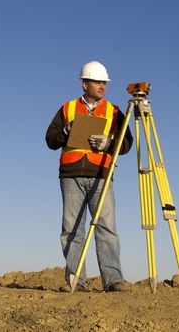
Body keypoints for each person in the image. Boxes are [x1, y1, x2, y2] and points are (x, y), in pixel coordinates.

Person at [45, 61, 133, 292]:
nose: (103, 86)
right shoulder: (67, 108)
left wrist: (109, 143)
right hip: (71, 175)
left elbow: (126, 144)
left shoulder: (114, 111)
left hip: (101, 175)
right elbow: (50, 140)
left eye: (104, 82)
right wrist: (66, 132)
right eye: (98, 82)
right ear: (85, 84)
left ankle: (113, 281)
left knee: (107, 228)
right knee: (72, 230)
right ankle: (76, 281)